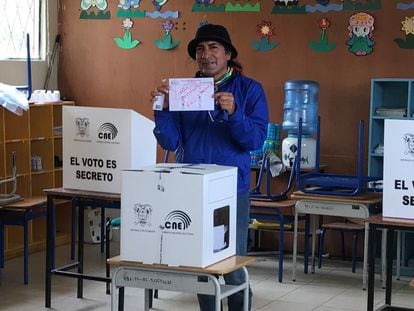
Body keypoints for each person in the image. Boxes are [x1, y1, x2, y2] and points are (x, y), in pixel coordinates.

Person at [150, 23, 269, 311]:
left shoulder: (249, 90)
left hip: (231, 190)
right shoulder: (183, 91)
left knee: (231, 261)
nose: (206, 55)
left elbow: (254, 140)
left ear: (228, 54)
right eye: (200, 49)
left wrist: (234, 112)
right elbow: (170, 141)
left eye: (213, 47)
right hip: (191, 187)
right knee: (199, 262)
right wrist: (161, 107)